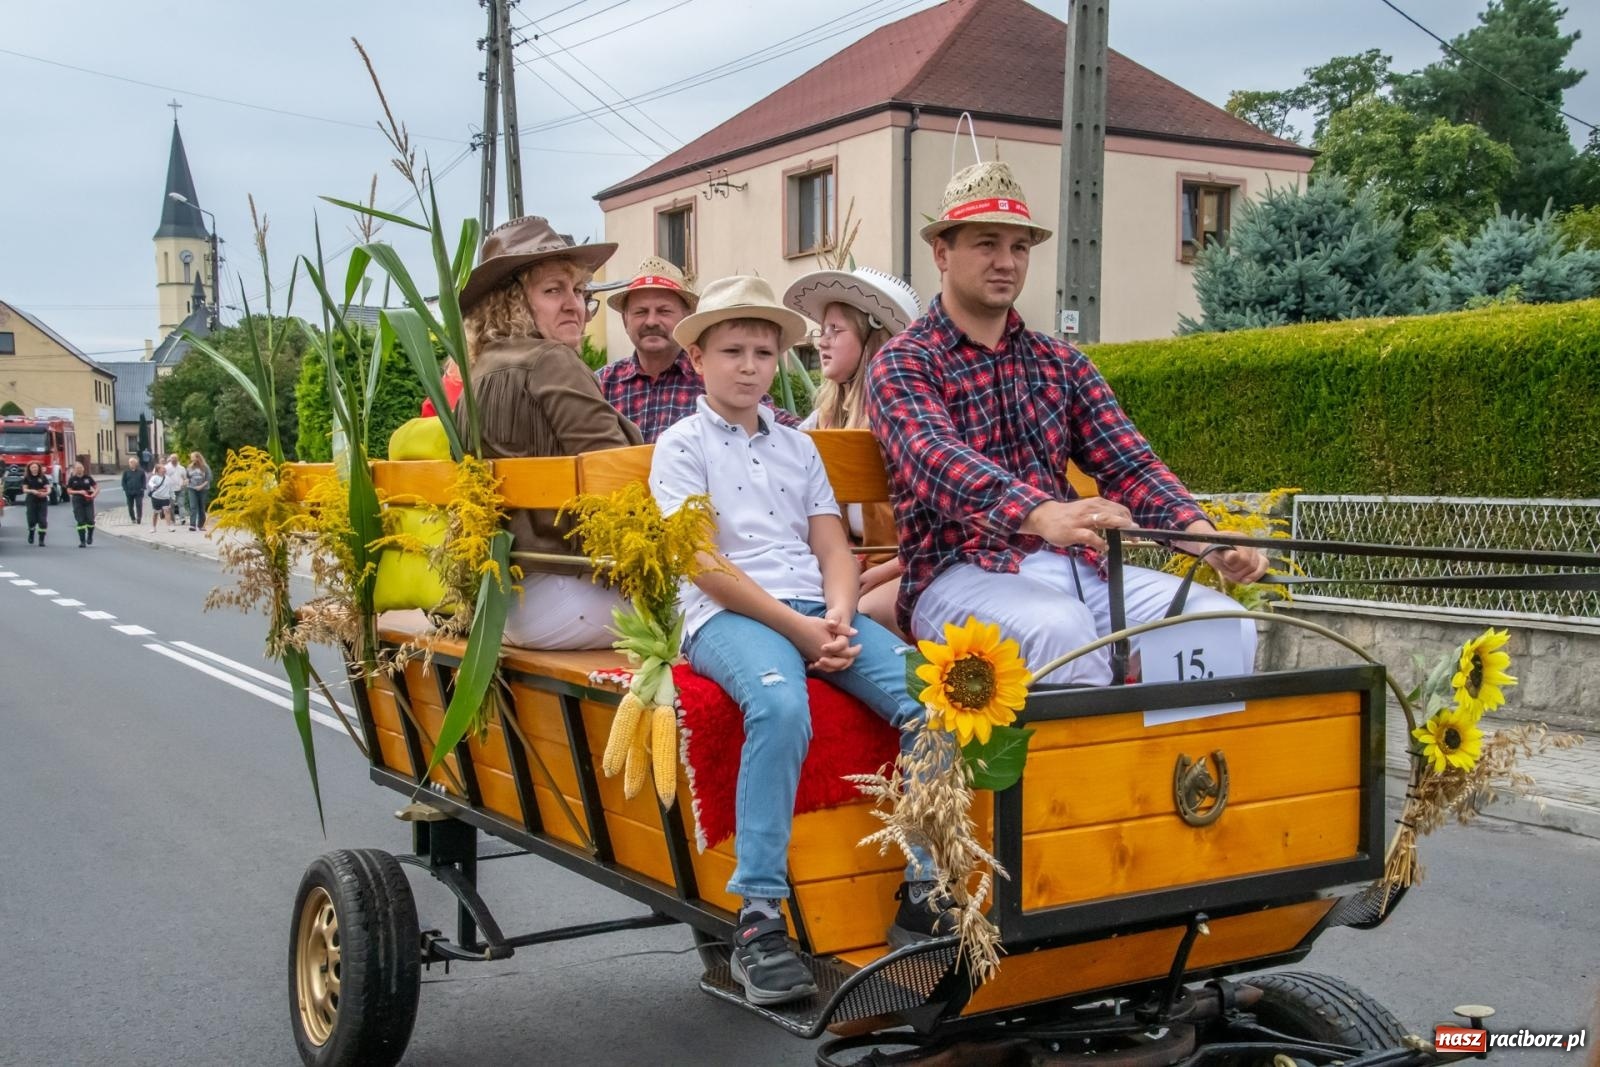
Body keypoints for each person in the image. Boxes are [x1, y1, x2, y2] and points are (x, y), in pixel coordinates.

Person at [650, 276, 950, 1008]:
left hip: (816, 605)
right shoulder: (680, 446)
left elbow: (832, 545)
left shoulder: (797, 446)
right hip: (727, 617)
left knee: (934, 698)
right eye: (732, 350)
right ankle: (758, 918)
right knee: (782, 709)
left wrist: (841, 616)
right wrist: (800, 630)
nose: (749, 365)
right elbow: (704, 565)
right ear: (697, 358)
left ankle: (923, 888)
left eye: (762, 350)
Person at [866, 161, 1268, 686]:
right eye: (987, 244)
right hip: (954, 575)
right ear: (942, 252)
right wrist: (1039, 511)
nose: (1006, 262)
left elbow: (1130, 465)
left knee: (1223, 625)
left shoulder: (1061, 363)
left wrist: (1204, 537)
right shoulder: (904, 361)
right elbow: (934, 458)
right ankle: (1082, 769)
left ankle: (1182, 765)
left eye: (1020, 247)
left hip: (1078, 570)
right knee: (1059, 629)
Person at [456, 215, 644, 649]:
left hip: (504, 603)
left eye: (578, 291)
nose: (574, 305)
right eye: (553, 290)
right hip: (567, 595)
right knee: (735, 604)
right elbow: (618, 478)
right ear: (512, 302)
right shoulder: (550, 361)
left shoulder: (473, 377)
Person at [782, 266, 923, 635]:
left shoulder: (911, 417)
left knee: (863, 616)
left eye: (836, 331)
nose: (821, 342)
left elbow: (942, 526)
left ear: (873, 340)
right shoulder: (819, 423)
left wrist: (878, 572)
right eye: (822, 330)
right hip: (846, 573)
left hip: (910, 566)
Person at [597, 257, 801, 442]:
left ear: (686, 316)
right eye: (640, 312)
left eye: (664, 311)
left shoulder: (716, 375)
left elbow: (771, 419)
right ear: (625, 320)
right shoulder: (601, 385)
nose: (651, 321)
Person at [66, 461, 98, 547]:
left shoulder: (88, 478)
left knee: (90, 520)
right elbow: (68, 491)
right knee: (80, 521)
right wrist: (79, 492)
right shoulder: (72, 479)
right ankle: (82, 541)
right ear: (74, 470)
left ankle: (90, 536)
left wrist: (94, 494)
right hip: (77, 500)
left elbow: (96, 487)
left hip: (88, 500)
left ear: (83, 469)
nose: (79, 470)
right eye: (77, 468)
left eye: (80, 468)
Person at [21, 461, 50, 546]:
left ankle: (41, 540)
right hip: (31, 500)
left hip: (42, 500)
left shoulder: (43, 477)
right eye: (32, 467)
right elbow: (24, 489)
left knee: (43, 521)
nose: (34, 469)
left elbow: (48, 488)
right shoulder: (27, 478)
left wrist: (46, 493)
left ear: (38, 468)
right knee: (31, 520)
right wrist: (32, 491)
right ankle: (31, 533)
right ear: (29, 469)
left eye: (36, 467)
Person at [185, 452, 211, 531]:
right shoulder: (190, 467)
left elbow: (208, 479)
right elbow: (187, 477)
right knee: (193, 506)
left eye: (192, 457)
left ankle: (201, 525)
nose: (191, 459)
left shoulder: (205, 467)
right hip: (192, 488)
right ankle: (192, 525)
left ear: (197, 458)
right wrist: (186, 481)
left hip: (203, 489)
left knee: (201, 507)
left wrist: (201, 486)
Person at [147, 462, 176, 531]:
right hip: (156, 498)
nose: (164, 469)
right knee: (156, 513)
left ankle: (169, 527)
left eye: (164, 468)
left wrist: (173, 496)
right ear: (158, 470)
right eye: (162, 468)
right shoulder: (154, 477)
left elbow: (171, 488)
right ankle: (153, 527)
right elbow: (150, 483)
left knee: (167, 511)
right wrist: (153, 486)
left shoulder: (168, 478)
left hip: (165, 498)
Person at [121, 456, 147, 525]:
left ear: (136, 464)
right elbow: (123, 481)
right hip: (129, 492)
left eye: (133, 463)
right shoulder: (126, 472)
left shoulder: (141, 471)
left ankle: (139, 518)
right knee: (130, 506)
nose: (131, 464)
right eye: (130, 463)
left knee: (139, 505)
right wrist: (125, 489)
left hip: (139, 491)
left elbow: (144, 481)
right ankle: (133, 518)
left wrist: (143, 487)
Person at [166, 455, 187, 525]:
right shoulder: (166, 468)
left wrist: (184, 484)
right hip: (170, 489)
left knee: (181, 504)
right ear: (170, 459)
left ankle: (182, 518)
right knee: (171, 505)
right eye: (172, 458)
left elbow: (185, 478)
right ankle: (172, 519)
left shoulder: (181, 468)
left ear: (177, 459)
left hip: (180, 488)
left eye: (175, 458)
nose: (174, 459)